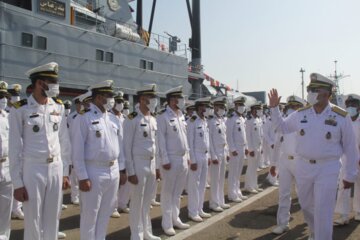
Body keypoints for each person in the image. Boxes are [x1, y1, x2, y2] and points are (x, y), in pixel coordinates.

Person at [268, 73, 359, 240]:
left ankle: (322, 236)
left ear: (326, 93)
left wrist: (350, 175)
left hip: (328, 168)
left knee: (323, 210)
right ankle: (315, 232)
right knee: (307, 206)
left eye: (313, 89)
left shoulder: (341, 116)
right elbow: (282, 127)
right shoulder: (301, 114)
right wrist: (274, 109)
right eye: (309, 89)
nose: (309, 92)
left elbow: (350, 148)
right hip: (303, 166)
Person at [9, 62, 71, 240]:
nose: (55, 86)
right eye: (51, 81)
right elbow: (14, 147)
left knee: (53, 217)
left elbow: (64, 141)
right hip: (33, 169)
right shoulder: (20, 109)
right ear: (39, 84)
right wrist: (18, 183)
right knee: (33, 219)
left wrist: (65, 172)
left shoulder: (58, 107)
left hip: (55, 168)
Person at [72, 80, 124, 240]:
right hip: (93, 171)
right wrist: (82, 177)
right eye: (109, 96)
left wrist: (122, 169)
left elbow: (119, 146)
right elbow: (77, 150)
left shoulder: (114, 119)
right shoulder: (83, 118)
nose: (112, 100)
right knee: (90, 216)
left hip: (113, 170)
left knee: (105, 214)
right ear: (99, 97)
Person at [124, 84, 161, 240]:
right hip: (138, 164)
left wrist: (157, 167)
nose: (153, 100)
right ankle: (136, 235)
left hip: (151, 163)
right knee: (137, 203)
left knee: (147, 202)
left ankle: (147, 232)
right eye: (150, 98)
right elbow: (126, 147)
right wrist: (130, 172)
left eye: (153, 98)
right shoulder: (132, 118)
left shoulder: (152, 118)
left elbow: (155, 145)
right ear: (142, 99)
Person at [270, 95, 306, 235]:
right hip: (285, 161)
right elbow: (277, 145)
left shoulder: (304, 123)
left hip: (300, 162)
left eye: (295, 107)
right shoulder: (283, 124)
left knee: (305, 195)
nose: (291, 109)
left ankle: (311, 221)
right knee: (283, 194)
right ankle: (283, 223)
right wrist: (273, 164)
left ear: (300, 108)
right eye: (290, 106)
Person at [157, 86, 190, 236]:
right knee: (168, 193)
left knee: (177, 193)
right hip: (171, 158)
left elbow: (185, 138)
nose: (181, 101)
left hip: (183, 158)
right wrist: (164, 159)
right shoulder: (163, 116)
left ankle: (175, 218)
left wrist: (188, 156)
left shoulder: (181, 115)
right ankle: (167, 223)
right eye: (179, 98)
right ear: (172, 100)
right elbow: (161, 140)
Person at [334, 94, 360, 225]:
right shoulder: (344, 120)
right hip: (346, 158)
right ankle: (343, 215)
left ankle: (359, 211)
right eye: (348, 104)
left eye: (353, 104)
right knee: (343, 185)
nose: (351, 107)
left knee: (359, 185)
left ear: (359, 106)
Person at [187, 97, 212, 222]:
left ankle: (200, 208)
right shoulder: (192, 121)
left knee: (202, 184)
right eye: (204, 107)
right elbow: (189, 142)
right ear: (198, 108)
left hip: (204, 155)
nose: (206, 109)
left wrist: (209, 156)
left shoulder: (204, 121)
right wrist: (192, 160)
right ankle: (193, 211)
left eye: (207, 107)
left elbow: (207, 140)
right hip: (196, 155)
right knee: (194, 185)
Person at [5, 83, 26, 220]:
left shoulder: (21, 112)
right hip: (7, 155)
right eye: (13, 96)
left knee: (17, 182)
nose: (15, 99)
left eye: (17, 96)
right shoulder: (6, 113)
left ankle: (16, 208)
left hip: (19, 154)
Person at [208, 97, 231, 211]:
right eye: (220, 107)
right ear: (215, 107)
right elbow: (210, 140)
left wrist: (226, 152)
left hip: (223, 151)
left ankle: (221, 201)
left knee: (221, 178)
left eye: (223, 107)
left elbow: (224, 138)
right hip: (216, 152)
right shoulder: (211, 121)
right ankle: (213, 202)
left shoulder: (221, 120)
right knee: (215, 179)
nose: (222, 109)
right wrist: (213, 156)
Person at [226, 96, 249, 202]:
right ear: (235, 106)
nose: (242, 107)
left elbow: (244, 135)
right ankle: (232, 194)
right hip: (235, 149)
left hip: (242, 148)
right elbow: (229, 135)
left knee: (238, 172)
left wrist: (246, 147)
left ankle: (237, 191)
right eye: (240, 105)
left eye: (243, 105)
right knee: (233, 173)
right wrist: (232, 149)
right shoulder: (231, 119)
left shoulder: (242, 118)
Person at [110, 91, 128, 218]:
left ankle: (123, 204)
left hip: (125, 152)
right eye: (118, 102)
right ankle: (113, 207)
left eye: (122, 102)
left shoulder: (125, 118)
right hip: (115, 152)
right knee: (115, 184)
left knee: (125, 182)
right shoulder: (110, 117)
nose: (120, 104)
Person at [0, 81, 13, 239]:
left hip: (7, 164)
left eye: (5, 97)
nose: (3, 100)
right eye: (0, 97)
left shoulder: (8, 117)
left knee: (5, 206)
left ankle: (4, 235)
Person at [244, 102, 264, 193]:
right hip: (253, 148)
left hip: (258, 146)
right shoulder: (249, 121)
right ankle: (249, 186)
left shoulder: (258, 120)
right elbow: (248, 136)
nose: (260, 111)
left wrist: (262, 146)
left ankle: (254, 185)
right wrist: (250, 149)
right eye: (258, 109)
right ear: (253, 110)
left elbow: (260, 134)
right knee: (251, 167)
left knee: (255, 167)